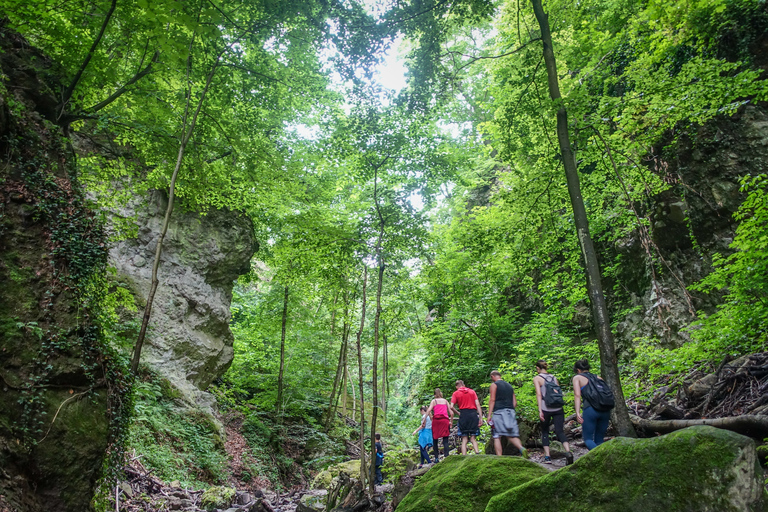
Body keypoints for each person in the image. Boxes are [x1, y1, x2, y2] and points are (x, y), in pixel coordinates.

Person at [533, 360, 573, 464]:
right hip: (558, 408)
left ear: (538, 368)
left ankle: (547, 457)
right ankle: (568, 452)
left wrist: (540, 410)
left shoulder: (537, 378)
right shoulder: (554, 378)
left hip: (545, 408)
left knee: (545, 431)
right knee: (560, 431)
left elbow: (538, 394)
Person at [486, 370, 529, 458]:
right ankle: (522, 448)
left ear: (492, 377)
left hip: (499, 412)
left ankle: (500, 457)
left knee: (497, 435)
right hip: (510, 412)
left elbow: (492, 399)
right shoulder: (509, 386)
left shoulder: (494, 385)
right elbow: (515, 402)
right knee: (511, 435)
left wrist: (489, 415)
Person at [573, 359, 611, 450]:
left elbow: (577, 395)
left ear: (578, 370)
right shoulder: (599, 378)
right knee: (599, 440)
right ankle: (605, 461)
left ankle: (600, 459)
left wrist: (577, 412)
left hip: (590, 409)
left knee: (588, 439)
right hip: (605, 410)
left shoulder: (577, 378)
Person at [451, 380, 483, 455]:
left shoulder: (456, 393)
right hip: (473, 414)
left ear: (457, 386)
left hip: (463, 415)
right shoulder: (472, 392)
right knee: (473, 438)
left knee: (464, 438)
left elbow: (451, 406)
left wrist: (458, 412)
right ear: (464, 385)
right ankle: (477, 453)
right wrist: (480, 417)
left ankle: (464, 456)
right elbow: (477, 404)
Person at [426, 388, 453, 461]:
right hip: (445, 421)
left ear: (435, 395)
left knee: (435, 439)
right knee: (445, 439)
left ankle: (436, 458)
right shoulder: (445, 401)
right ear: (440, 393)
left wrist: (426, 418)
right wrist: (451, 421)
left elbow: (428, 410)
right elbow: (451, 413)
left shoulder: (434, 401)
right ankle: (447, 456)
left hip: (436, 421)